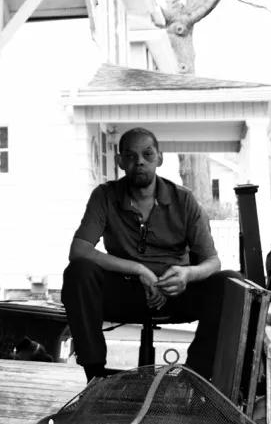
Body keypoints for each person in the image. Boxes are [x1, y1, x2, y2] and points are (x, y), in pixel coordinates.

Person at [61, 127, 237, 381]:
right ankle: (95, 377)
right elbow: (79, 250)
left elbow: (213, 262)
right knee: (78, 273)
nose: (140, 161)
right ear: (120, 161)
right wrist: (139, 270)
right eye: (130, 156)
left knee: (229, 283)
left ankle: (195, 379)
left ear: (159, 158)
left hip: (176, 293)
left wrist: (187, 274)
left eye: (147, 154)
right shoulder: (105, 196)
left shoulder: (184, 200)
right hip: (126, 291)